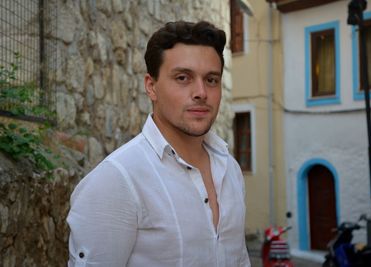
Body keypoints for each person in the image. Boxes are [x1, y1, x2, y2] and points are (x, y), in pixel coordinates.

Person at [67, 20, 250, 267]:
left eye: (211, 80)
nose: (201, 92)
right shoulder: (116, 180)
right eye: (183, 77)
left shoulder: (230, 169)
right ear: (151, 87)